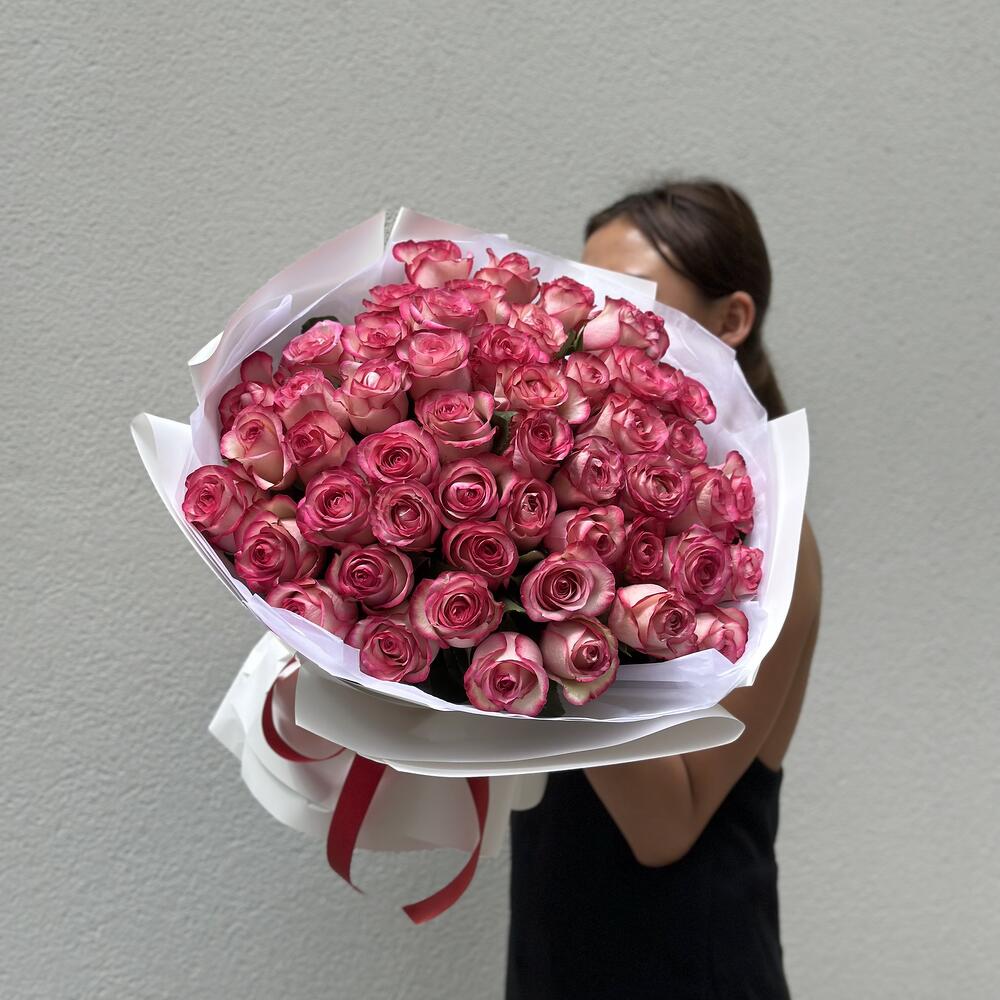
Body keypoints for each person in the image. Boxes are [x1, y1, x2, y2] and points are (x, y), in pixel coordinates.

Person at [505, 179, 823, 999]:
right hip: (554, 960)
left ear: (732, 318)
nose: (601, 328)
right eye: (587, 300)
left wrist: (538, 594)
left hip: (693, 968)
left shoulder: (771, 542)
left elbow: (666, 828)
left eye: (634, 300)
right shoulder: (587, 514)